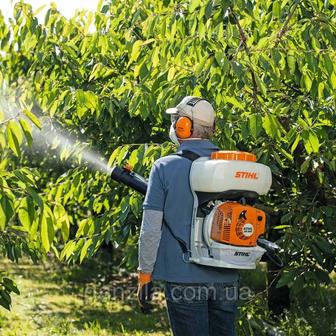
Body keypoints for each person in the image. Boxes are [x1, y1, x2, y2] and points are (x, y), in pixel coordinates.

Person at [137, 96, 239, 336]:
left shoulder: (164, 167)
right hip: (226, 277)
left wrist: (145, 274)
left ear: (184, 125)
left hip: (183, 279)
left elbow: (150, 228)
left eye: (176, 120)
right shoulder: (232, 167)